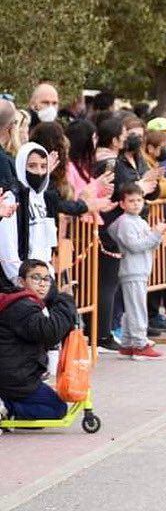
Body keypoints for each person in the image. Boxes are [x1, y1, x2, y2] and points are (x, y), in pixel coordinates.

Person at [0, 258, 76, 421]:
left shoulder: (23, 301)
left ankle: (7, 407)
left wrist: (59, 297)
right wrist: (66, 300)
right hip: (15, 378)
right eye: (35, 278)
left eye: (46, 279)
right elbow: (50, 332)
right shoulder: (22, 306)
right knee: (56, 410)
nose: (42, 284)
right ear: (21, 282)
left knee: (40, 417)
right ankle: (6, 407)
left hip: (17, 374)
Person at [107, 183, 166, 360]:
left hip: (140, 269)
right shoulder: (125, 223)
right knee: (137, 307)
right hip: (132, 270)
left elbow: (149, 243)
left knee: (134, 306)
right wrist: (155, 234)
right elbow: (135, 246)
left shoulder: (139, 221)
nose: (136, 204)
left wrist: (157, 234)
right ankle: (139, 344)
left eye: (139, 200)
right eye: (131, 201)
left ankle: (127, 344)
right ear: (122, 204)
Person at [0, 143, 58, 285]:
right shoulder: (12, 198)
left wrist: (48, 278)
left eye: (43, 166)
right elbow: (8, 252)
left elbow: (48, 245)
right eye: (32, 166)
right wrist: (22, 282)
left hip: (44, 279)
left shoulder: (45, 198)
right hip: (21, 281)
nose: (39, 172)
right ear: (21, 166)